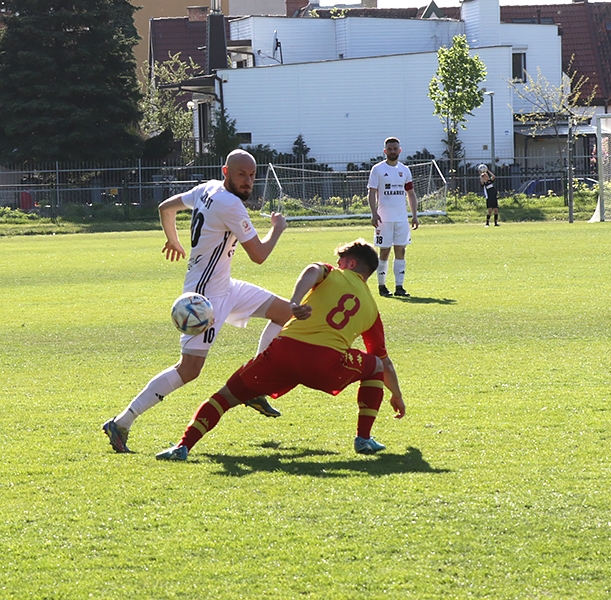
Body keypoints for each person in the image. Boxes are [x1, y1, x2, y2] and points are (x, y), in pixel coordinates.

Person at [102, 149, 292, 453]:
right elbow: (259, 256)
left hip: (225, 285)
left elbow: (166, 208)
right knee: (189, 369)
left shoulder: (207, 188)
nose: (248, 181)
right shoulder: (231, 205)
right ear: (226, 172)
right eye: (241, 174)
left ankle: (254, 384)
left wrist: (173, 239)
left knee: (286, 313)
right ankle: (121, 423)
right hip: (205, 297)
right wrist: (277, 229)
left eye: (252, 175)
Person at [155, 239, 406, 461]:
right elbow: (385, 361)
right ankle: (363, 439)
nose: (336, 263)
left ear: (350, 264)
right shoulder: (372, 309)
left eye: (339, 260)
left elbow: (312, 270)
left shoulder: (331, 273)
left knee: (224, 397)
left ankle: (182, 447)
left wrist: (295, 301)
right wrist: (396, 395)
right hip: (326, 365)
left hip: (283, 354)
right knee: (376, 366)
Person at [367, 137, 419, 298]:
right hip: (384, 220)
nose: (392, 151)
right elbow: (372, 192)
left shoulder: (405, 170)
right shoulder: (378, 169)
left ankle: (399, 286)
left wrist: (415, 215)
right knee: (384, 252)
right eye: (390, 149)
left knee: (401, 251)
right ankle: (382, 286)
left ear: (400, 150)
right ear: (385, 151)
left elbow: (410, 194)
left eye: (395, 148)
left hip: (401, 219)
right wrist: (374, 213)